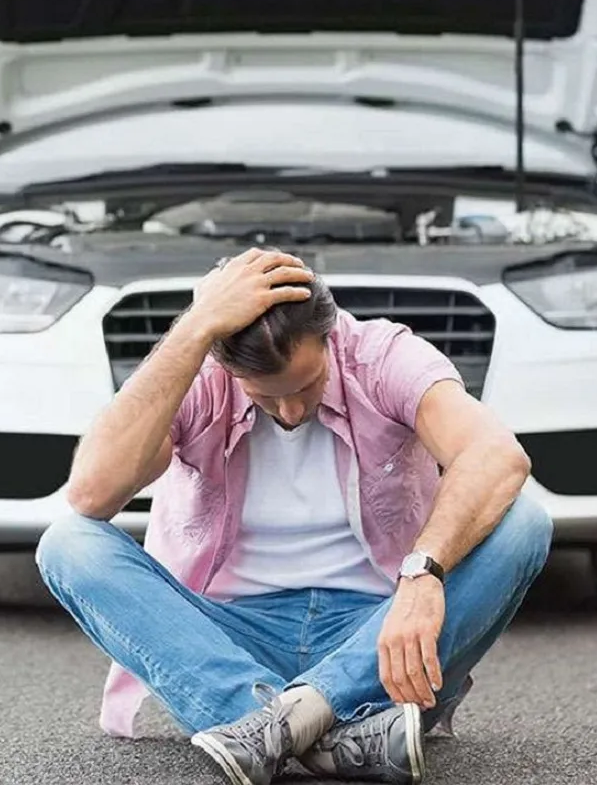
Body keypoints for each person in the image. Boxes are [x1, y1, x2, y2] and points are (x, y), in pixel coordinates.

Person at [36, 247, 552, 784]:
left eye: (305, 386)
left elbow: (497, 455)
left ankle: (269, 727)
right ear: (226, 365)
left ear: (330, 338)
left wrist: (423, 573)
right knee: (68, 544)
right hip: (232, 640)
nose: (289, 411)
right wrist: (193, 330)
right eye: (264, 395)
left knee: (525, 524)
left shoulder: (382, 357)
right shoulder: (198, 374)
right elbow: (92, 493)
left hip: (376, 636)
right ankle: (329, 733)